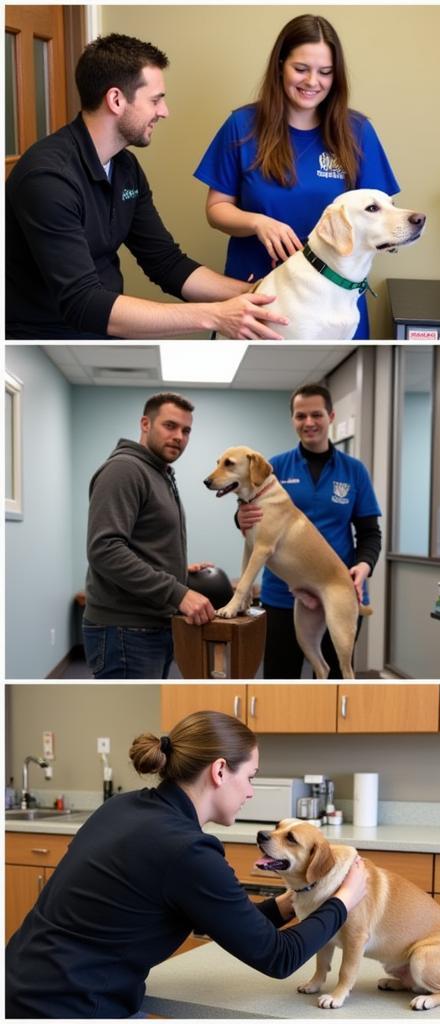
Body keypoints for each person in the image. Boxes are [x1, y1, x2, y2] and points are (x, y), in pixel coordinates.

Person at [5, 710, 368, 1017]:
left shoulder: (123, 806)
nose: (251, 791)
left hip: (19, 985)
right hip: (70, 1007)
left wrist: (291, 903)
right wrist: (343, 900)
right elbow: (278, 957)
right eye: (251, 777)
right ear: (220, 770)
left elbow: (230, 922)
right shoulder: (187, 851)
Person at [5, 33, 288, 340]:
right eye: (156, 99)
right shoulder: (48, 179)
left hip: (103, 330)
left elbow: (166, 263)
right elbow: (82, 303)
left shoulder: (125, 167)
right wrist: (216, 315)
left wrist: (257, 294)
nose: (164, 111)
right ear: (116, 100)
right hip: (45, 336)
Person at [195, 14, 399, 340]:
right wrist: (259, 223)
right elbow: (216, 209)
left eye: (325, 72)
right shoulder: (242, 126)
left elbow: (381, 215)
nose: (312, 81)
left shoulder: (357, 132)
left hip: (336, 299)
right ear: (280, 65)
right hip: (259, 289)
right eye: (301, 69)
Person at [236, 383, 382, 678]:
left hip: (337, 587)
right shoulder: (274, 467)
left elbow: (370, 533)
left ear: (330, 416)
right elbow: (250, 518)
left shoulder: (354, 471)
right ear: (292, 420)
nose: (309, 423)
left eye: (316, 415)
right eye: (301, 416)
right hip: (280, 594)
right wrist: (239, 518)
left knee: (337, 680)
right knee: (280, 677)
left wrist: (363, 567)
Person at [84, 392, 217, 678]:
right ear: (146, 424)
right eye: (170, 426)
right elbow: (104, 549)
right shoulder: (124, 470)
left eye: (186, 430)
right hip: (125, 630)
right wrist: (176, 592)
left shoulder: (158, 472)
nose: (179, 437)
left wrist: (177, 570)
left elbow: (141, 541)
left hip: (152, 625)